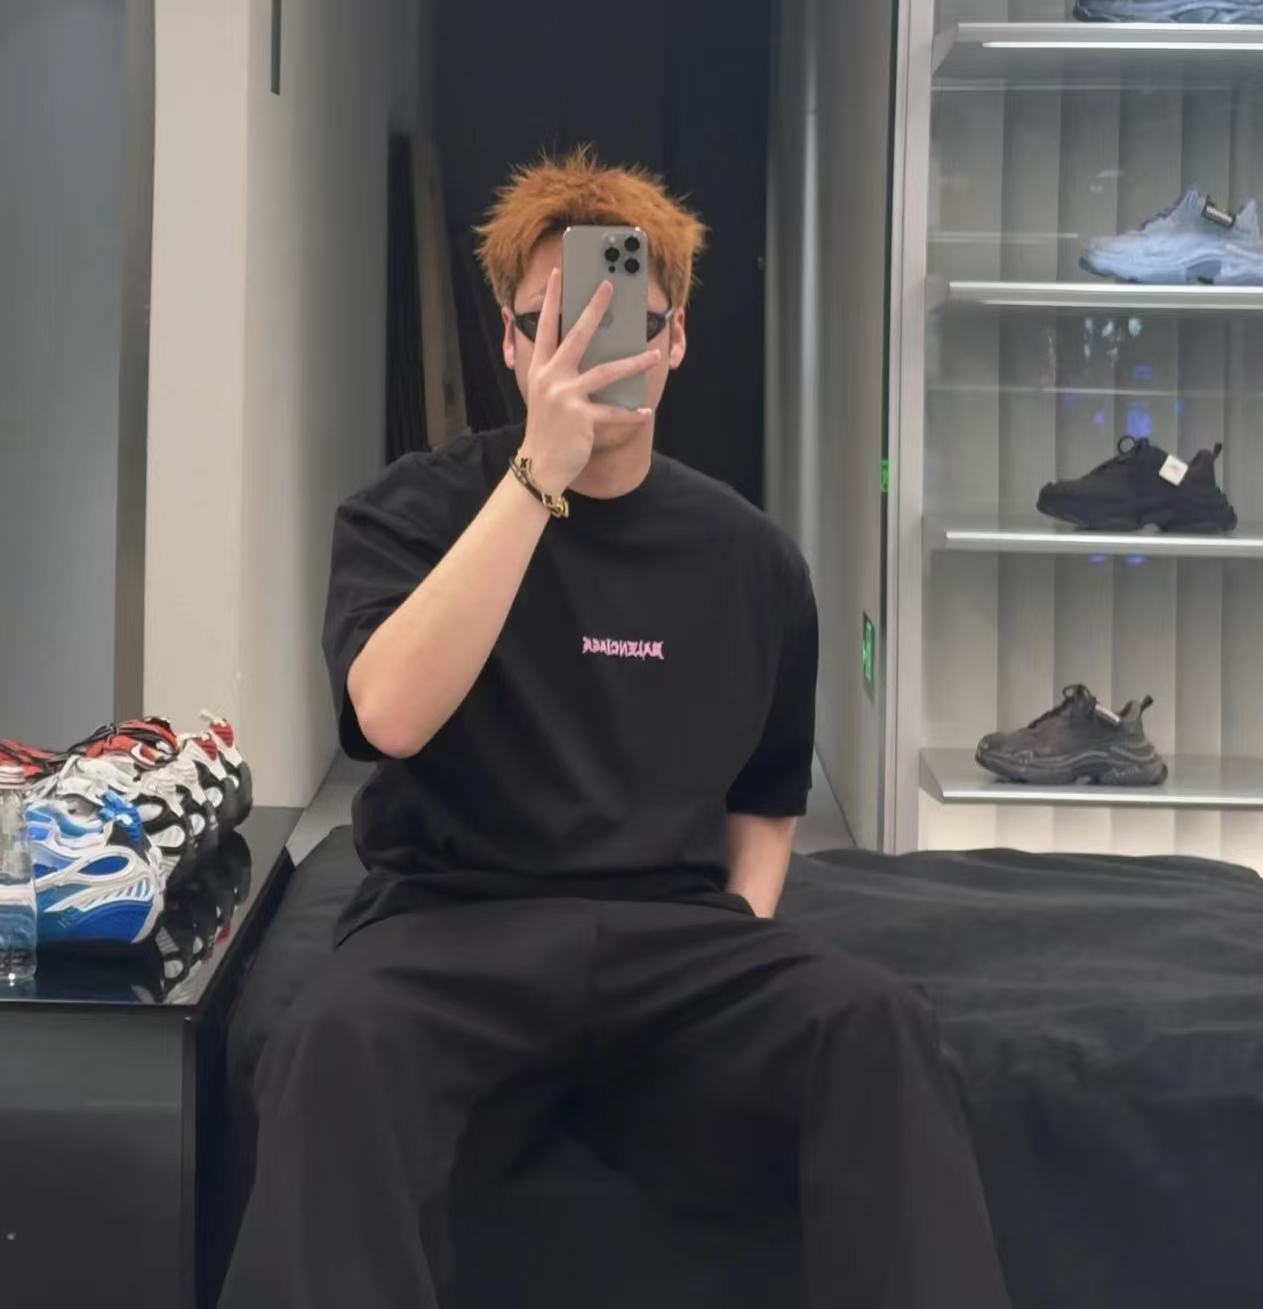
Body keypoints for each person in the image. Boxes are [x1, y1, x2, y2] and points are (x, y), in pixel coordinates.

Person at [218, 145, 1010, 1309]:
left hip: (673, 940)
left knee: (875, 1024)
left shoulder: (749, 557)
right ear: (508, 343)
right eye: (549, 322)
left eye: (621, 319)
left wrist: (733, 937)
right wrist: (537, 479)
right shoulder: (412, 512)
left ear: (673, 339)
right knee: (332, 1042)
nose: (584, 348)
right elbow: (387, 715)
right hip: (451, 928)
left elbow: (766, 801)